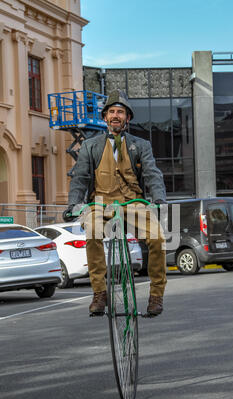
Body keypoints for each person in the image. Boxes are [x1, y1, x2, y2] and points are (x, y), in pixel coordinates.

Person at [63, 89, 167, 317]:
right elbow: (80, 177)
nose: (116, 116)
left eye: (120, 112)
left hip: (134, 203)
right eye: (112, 112)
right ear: (105, 117)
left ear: (127, 118)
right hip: (100, 204)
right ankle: (100, 293)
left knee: (158, 238)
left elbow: (152, 174)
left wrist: (159, 199)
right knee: (92, 232)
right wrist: (73, 205)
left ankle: (156, 295)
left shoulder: (141, 145)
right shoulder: (91, 146)